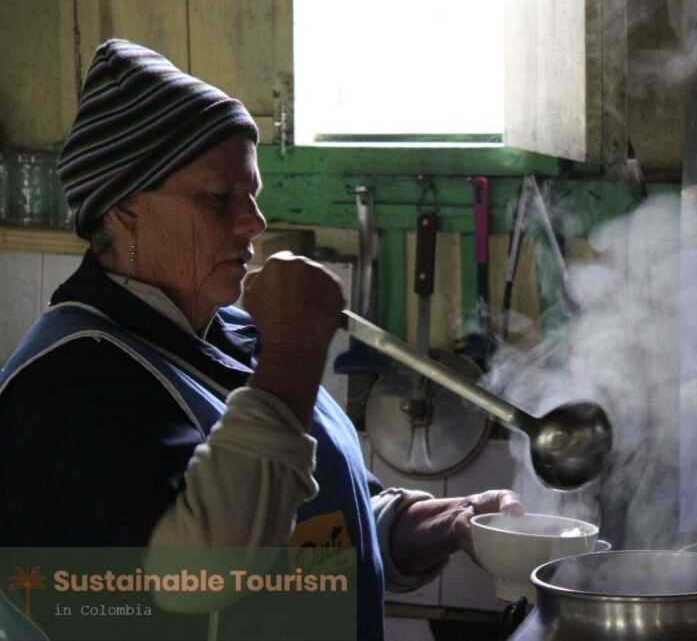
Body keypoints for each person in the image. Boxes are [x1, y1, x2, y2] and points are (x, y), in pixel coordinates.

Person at [0, 39, 521, 640]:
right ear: (125, 209)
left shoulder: (241, 339)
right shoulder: (68, 387)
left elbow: (306, 516)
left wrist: (428, 523)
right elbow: (192, 585)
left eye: (253, 194)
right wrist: (297, 352)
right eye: (220, 198)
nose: (254, 222)